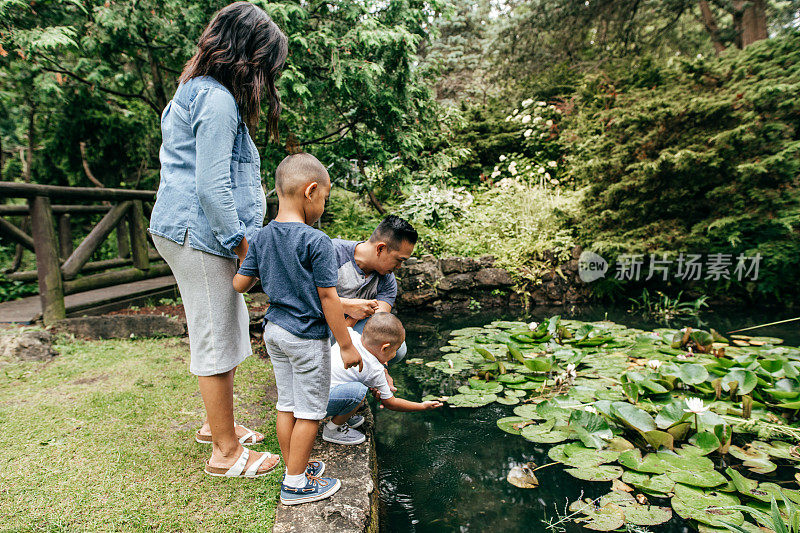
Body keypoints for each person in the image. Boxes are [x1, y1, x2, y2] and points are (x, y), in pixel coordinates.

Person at [148, 2, 287, 478]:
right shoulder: (217, 100)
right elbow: (211, 187)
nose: (267, 79)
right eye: (266, 65)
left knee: (225, 326)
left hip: (193, 230)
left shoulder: (196, 91)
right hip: (200, 233)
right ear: (247, 56)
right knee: (215, 334)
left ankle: (216, 427)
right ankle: (226, 454)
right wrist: (240, 244)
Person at [233, 153, 363, 505]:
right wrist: (347, 344)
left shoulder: (260, 237)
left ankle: (297, 466)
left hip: (274, 332)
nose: (324, 204)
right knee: (310, 411)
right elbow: (328, 297)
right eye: (325, 197)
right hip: (306, 337)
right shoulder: (316, 241)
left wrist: (243, 252)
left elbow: (240, 284)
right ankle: (295, 484)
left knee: (287, 404)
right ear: (311, 191)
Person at [323, 312, 443, 445]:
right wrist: (422, 406)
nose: (396, 354)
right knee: (359, 392)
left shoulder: (350, 335)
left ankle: (343, 415)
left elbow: (346, 324)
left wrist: (355, 315)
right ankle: (332, 429)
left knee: (353, 383)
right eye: (395, 350)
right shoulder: (375, 370)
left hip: (308, 391)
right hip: (320, 403)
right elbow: (391, 403)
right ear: (385, 348)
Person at [333, 216, 417, 386]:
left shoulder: (387, 279)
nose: (399, 267)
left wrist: (380, 370)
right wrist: (347, 306)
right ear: (380, 249)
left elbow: (380, 326)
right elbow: (304, 298)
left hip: (354, 331)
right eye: (399, 260)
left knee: (397, 348)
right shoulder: (333, 253)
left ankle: (361, 377)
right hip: (319, 325)